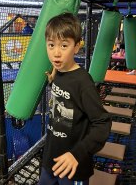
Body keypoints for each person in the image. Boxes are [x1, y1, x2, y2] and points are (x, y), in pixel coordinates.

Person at [38, 12, 112, 185]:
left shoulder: (83, 82)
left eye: (64, 46)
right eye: (51, 45)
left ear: (77, 47)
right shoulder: (58, 72)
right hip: (51, 159)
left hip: (73, 166)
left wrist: (77, 154)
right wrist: (52, 81)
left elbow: (103, 123)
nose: (56, 53)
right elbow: (65, 97)